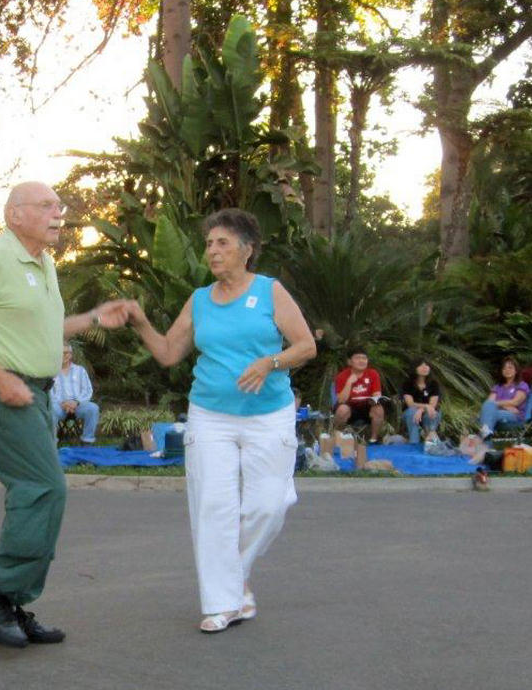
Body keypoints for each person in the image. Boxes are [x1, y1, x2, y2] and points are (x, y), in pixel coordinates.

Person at [0, 181, 130, 649]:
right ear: (15, 214)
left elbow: (45, 329)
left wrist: (91, 319)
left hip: (38, 394)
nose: (58, 214)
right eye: (46, 206)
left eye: (59, 206)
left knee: (42, 495)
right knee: (42, 488)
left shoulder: (43, 262)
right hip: (9, 394)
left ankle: (8, 599)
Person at [127, 208, 316, 634]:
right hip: (210, 416)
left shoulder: (270, 292)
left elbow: (305, 346)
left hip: (269, 416)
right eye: (209, 243)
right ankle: (223, 602)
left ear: (246, 250)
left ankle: (235, 576)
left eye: (222, 243)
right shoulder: (199, 300)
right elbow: (169, 353)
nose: (212, 250)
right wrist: (140, 322)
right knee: (213, 507)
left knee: (270, 505)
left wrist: (270, 362)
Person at [333, 347, 386, 444]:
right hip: (350, 407)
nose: (361, 361)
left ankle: (374, 439)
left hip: (367, 406)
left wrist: (375, 399)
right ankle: (338, 437)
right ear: (350, 362)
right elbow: (341, 400)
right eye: (357, 358)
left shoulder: (373, 374)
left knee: (378, 409)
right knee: (342, 409)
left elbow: (377, 394)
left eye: (364, 358)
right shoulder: (342, 376)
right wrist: (349, 383)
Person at [50, 344, 99, 444]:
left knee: (93, 408)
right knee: (51, 410)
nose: (63, 355)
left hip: (78, 405)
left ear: (70, 354)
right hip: (59, 406)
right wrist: (63, 403)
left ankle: (87, 441)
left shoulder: (80, 370)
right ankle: (52, 443)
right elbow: (48, 392)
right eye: (60, 353)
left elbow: (87, 390)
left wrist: (76, 402)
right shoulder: (52, 371)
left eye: (66, 353)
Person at [478, 356, 530, 440]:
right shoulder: (497, 387)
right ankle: (486, 435)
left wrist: (497, 404)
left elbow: (515, 402)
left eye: (510, 368)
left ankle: (483, 437)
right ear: (501, 371)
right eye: (504, 368)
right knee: (486, 411)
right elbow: (489, 402)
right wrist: (505, 406)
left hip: (515, 415)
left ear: (516, 370)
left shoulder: (522, 385)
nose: (507, 370)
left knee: (484, 416)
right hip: (499, 413)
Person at [401, 358, 442, 446]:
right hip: (410, 413)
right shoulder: (407, 383)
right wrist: (425, 407)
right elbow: (410, 404)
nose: (425, 367)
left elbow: (432, 405)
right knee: (412, 412)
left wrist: (421, 409)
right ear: (414, 368)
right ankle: (414, 443)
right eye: (421, 365)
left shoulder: (434, 384)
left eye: (426, 365)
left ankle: (430, 442)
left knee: (432, 413)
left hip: (427, 412)